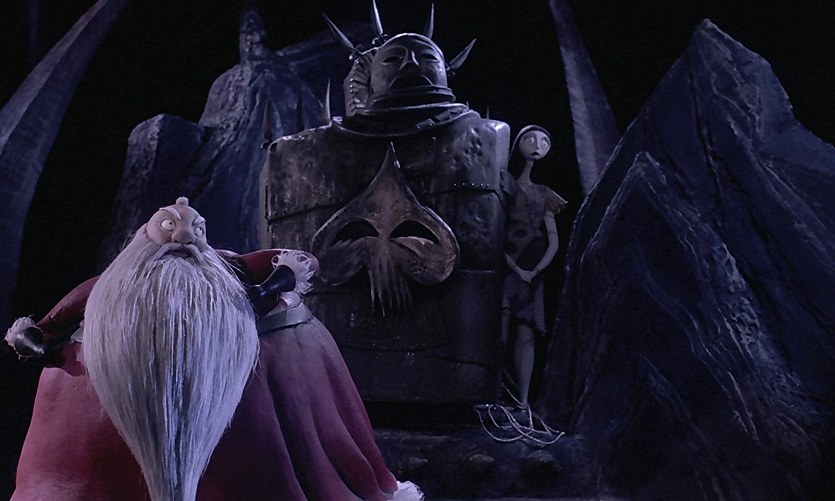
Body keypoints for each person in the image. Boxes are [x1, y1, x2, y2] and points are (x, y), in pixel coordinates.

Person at [5, 197, 419, 501]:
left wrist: (267, 289)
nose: (183, 237)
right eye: (171, 226)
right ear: (149, 232)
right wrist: (34, 337)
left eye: (194, 230)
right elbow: (54, 319)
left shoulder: (227, 266)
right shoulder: (115, 285)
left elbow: (300, 261)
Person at [501, 125, 568, 410]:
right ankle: (495, 392)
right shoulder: (506, 185)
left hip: (531, 268)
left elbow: (554, 242)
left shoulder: (544, 194)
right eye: (530, 139)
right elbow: (495, 229)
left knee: (526, 332)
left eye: (544, 141)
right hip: (507, 263)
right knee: (500, 328)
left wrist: (535, 270)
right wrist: (514, 266)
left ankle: (523, 400)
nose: (537, 145)